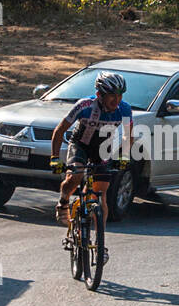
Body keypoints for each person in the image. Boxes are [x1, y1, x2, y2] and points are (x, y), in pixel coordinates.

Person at [50, 71, 133, 228]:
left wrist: (125, 156)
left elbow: (129, 136)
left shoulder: (125, 109)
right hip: (80, 146)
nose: (117, 100)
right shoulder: (84, 106)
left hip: (102, 150)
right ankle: (63, 201)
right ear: (99, 94)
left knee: (100, 195)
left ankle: (100, 243)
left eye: (120, 95)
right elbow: (59, 130)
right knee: (75, 175)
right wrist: (54, 158)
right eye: (112, 95)